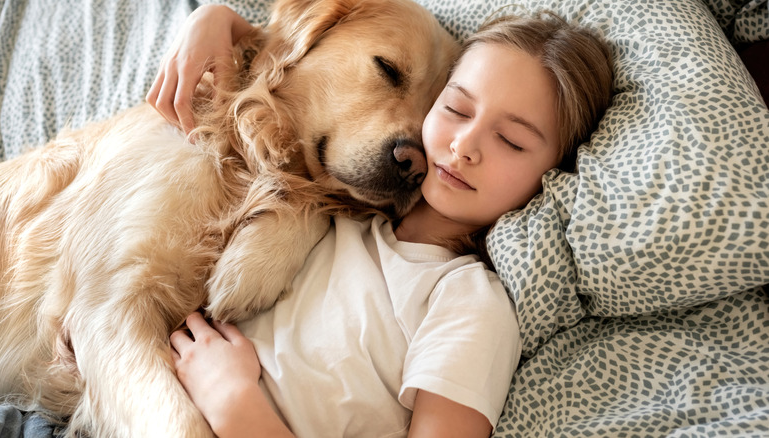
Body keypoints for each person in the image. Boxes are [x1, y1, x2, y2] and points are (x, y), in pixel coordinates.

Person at [151, 5, 613, 438]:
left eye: (511, 141)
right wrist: (214, 18)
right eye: (454, 109)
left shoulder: (470, 305)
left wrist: (234, 404)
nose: (463, 145)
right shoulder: (338, 213)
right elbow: (284, 66)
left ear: (552, 179)